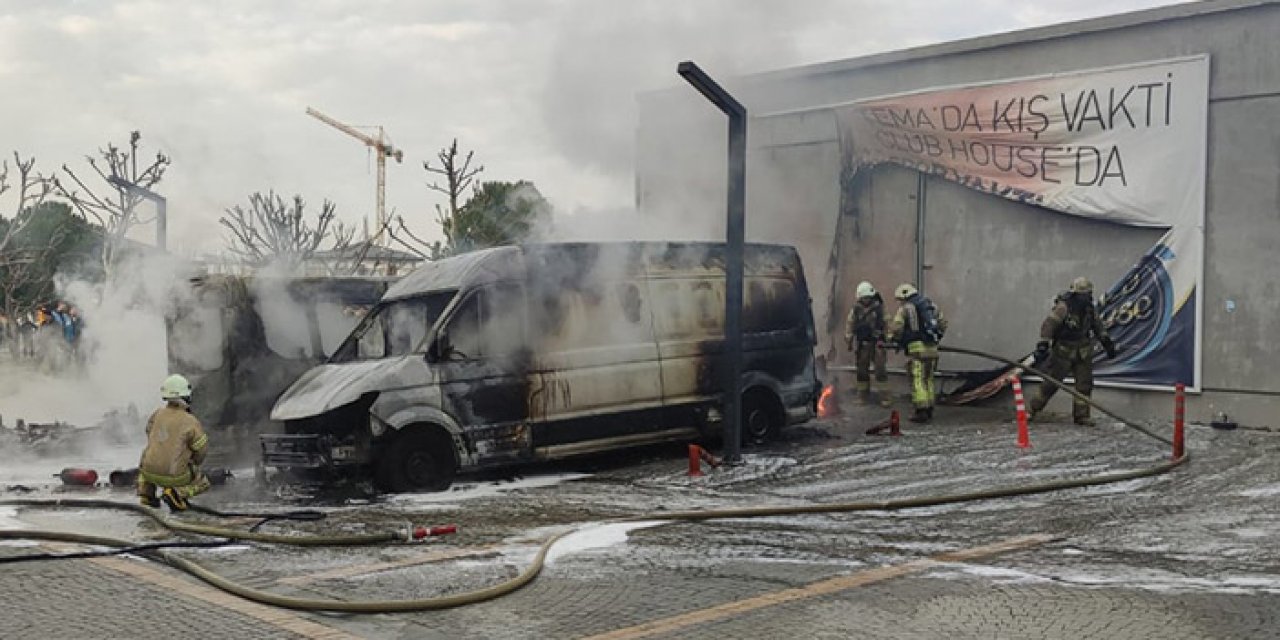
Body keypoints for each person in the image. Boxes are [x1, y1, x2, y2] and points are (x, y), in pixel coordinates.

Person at [1028, 277, 1116, 426]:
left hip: (1083, 352)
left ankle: (1082, 416)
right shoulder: (1063, 308)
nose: (1087, 297)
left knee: (1084, 385)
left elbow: (1098, 326)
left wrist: (1107, 342)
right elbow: (1049, 325)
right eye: (1084, 295)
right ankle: (1031, 410)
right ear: (1076, 294)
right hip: (1063, 352)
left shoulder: (1089, 309)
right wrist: (1043, 343)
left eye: (1089, 294)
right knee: (1051, 384)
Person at [137, 374, 211, 511]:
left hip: (148, 473)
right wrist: (193, 462)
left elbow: (149, 432)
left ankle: (147, 495)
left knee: (146, 462)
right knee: (203, 482)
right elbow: (201, 449)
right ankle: (176, 494)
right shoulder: (190, 420)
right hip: (174, 477)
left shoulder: (157, 414)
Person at [886, 283, 947, 423]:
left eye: (900, 299)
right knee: (928, 379)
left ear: (904, 296)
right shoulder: (931, 305)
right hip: (932, 349)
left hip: (917, 350)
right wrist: (936, 338)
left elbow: (897, 328)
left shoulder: (906, 309)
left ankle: (921, 411)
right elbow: (943, 323)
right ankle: (930, 407)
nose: (899, 302)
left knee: (917, 379)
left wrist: (891, 338)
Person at [844, 281, 891, 406]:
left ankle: (884, 397)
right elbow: (850, 324)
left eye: (868, 298)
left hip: (878, 343)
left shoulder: (879, 308)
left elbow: (887, 323)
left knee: (880, 369)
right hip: (863, 344)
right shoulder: (856, 310)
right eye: (864, 298)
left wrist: (888, 338)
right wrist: (848, 340)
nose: (866, 300)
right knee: (861, 370)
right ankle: (862, 396)